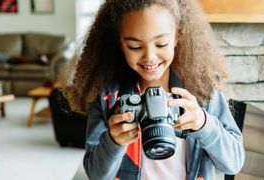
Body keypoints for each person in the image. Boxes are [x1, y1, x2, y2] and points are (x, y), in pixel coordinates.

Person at [61, 0, 245, 179]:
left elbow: (233, 164)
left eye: (161, 44)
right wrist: (113, 142)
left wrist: (204, 124)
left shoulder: (201, 88)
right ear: (120, 42)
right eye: (135, 46)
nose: (149, 57)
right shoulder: (108, 95)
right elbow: (95, 174)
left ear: (177, 36)